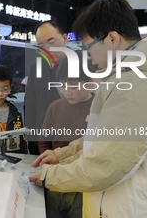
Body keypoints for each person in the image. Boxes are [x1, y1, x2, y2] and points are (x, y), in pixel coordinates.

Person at [29, 0, 147, 217]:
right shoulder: (129, 77)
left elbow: (105, 165)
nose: (88, 54)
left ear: (112, 39)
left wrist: (50, 175)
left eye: (89, 46)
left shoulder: (137, 85)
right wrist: (64, 154)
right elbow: (105, 137)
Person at [38, 50, 95, 218]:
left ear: (90, 82)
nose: (66, 91)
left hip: (82, 185)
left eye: (73, 86)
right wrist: (46, 166)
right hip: (54, 182)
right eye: (62, 85)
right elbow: (44, 141)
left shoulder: (99, 108)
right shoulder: (55, 107)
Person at [24, 20, 68, 155]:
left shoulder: (84, 64)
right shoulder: (36, 68)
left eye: (51, 41)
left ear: (65, 38)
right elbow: (31, 105)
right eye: (41, 45)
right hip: (42, 141)